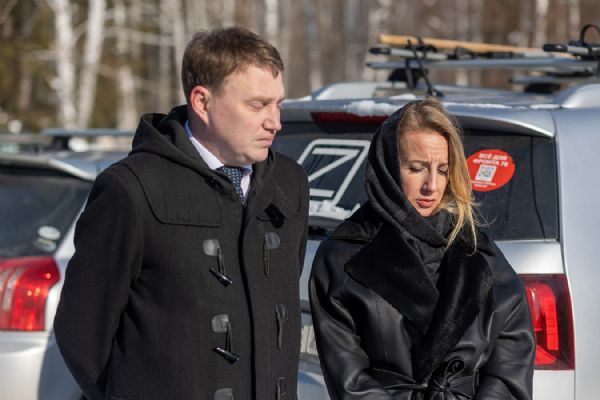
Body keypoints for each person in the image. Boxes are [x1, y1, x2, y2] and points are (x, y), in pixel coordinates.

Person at [54, 27, 309, 400]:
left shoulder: (290, 182)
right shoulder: (131, 188)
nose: (275, 122)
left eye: (278, 104)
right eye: (257, 105)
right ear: (202, 102)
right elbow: (82, 331)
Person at [309, 98, 534, 400]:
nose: (432, 185)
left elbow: (510, 362)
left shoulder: (477, 251)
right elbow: (349, 379)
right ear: (388, 168)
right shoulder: (344, 255)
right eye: (416, 168)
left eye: (443, 170)